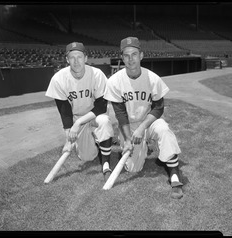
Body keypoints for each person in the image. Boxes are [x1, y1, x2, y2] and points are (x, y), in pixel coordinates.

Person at [104, 37, 184, 199]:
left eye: (134, 54)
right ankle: (136, 148)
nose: (130, 58)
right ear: (122, 57)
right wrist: (127, 139)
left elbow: (159, 108)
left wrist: (142, 128)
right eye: (126, 55)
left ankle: (174, 174)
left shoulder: (153, 78)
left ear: (141, 55)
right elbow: (120, 114)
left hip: (149, 121)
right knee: (133, 168)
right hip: (129, 126)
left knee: (164, 129)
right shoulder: (114, 81)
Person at [45, 42, 114, 181]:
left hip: (95, 115)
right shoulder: (59, 79)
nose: (76, 61)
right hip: (76, 118)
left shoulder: (96, 74)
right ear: (67, 59)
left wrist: (79, 124)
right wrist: (68, 138)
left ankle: (106, 163)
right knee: (87, 157)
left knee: (105, 121)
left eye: (79, 57)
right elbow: (65, 113)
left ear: (86, 58)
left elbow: (101, 107)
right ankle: (95, 139)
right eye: (72, 57)